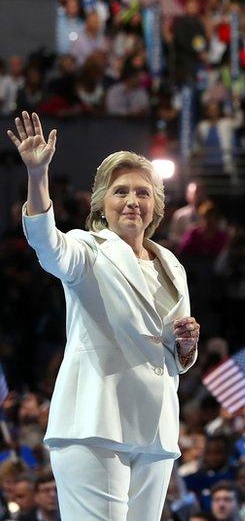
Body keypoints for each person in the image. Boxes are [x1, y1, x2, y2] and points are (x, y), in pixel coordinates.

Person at [9, 111, 200, 519]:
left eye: (143, 193)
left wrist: (186, 346)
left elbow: (174, 354)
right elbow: (47, 244)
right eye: (121, 192)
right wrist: (38, 174)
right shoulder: (87, 249)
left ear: (156, 206)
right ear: (102, 204)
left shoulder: (172, 265)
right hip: (95, 422)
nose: (133, 201)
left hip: (155, 428)